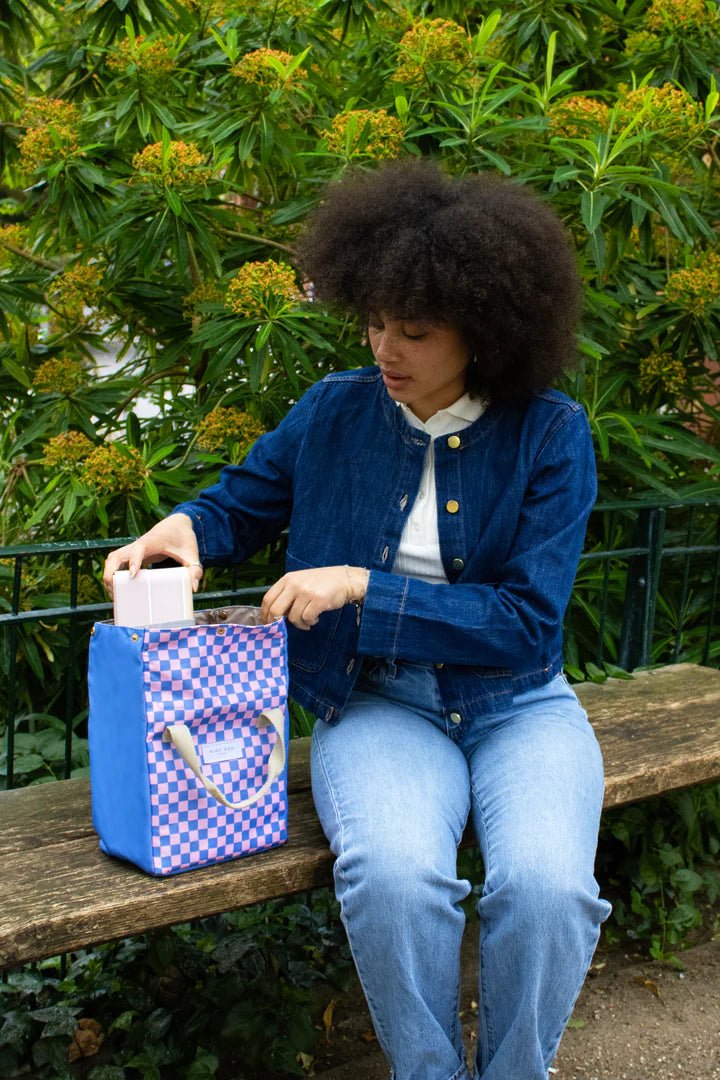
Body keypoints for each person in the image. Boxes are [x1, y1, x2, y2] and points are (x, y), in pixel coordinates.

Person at [104, 159, 612, 1080]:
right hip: (376, 703)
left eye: (414, 331)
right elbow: (241, 503)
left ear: (487, 329)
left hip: (517, 704)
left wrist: (363, 586)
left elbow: (524, 624)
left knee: (548, 892)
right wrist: (184, 529)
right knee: (394, 880)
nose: (386, 348)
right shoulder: (333, 410)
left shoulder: (551, 432)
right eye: (375, 321)